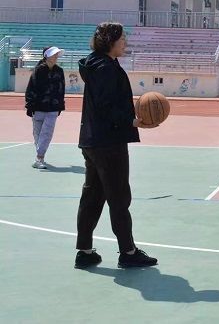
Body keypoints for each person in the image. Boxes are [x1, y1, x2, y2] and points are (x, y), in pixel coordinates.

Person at [75, 22, 159, 269]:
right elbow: (106, 106)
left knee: (92, 196)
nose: (125, 42)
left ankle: (85, 251)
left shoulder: (95, 64)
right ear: (110, 40)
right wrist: (132, 120)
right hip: (109, 142)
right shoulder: (106, 69)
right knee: (119, 197)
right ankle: (128, 252)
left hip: (92, 140)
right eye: (122, 38)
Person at [25, 46, 65, 169]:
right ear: (46, 56)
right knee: (37, 134)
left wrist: (60, 105)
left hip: (52, 108)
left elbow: (61, 89)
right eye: (53, 55)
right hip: (38, 107)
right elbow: (31, 87)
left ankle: (39, 158)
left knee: (47, 133)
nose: (56, 57)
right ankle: (40, 155)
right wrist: (30, 105)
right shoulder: (38, 70)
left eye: (56, 55)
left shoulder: (59, 71)